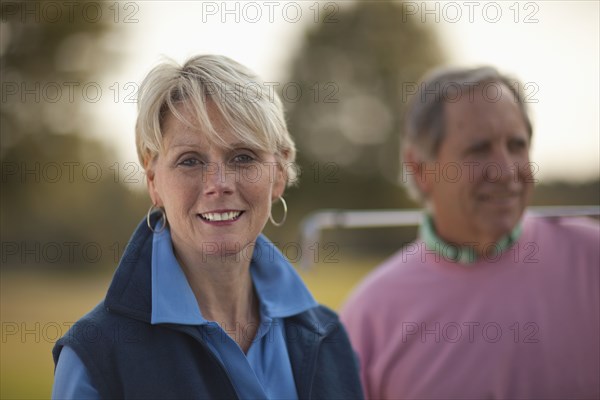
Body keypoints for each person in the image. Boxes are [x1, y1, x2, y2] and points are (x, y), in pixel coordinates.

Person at [52, 54, 364, 399]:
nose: (219, 183)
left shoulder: (330, 337)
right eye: (190, 161)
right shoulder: (96, 357)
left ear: (279, 174)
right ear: (154, 181)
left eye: (243, 157)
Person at [340, 66, 599, 399]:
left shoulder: (592, 258)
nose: (506, 171)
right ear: (420, 170)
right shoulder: (368, 316)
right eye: (479, 150)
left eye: (516, 146)